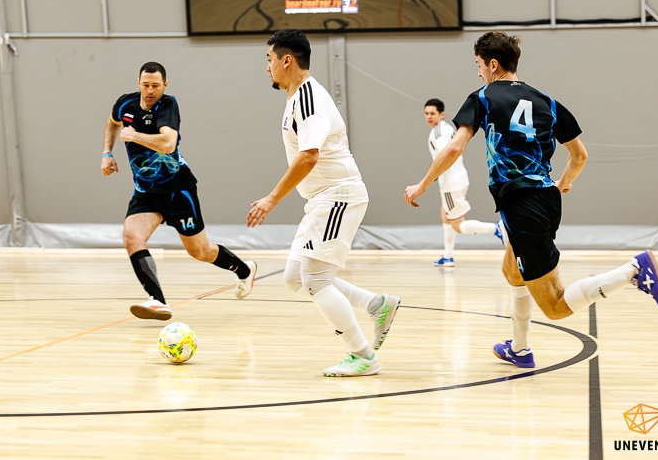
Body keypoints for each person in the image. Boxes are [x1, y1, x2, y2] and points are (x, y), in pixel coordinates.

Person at [404, 31, 658, 368]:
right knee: (512, 272)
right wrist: (562, 184)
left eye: (479, 64)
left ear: (493, 65)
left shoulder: (483, 97)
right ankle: (520, 348)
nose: (478, 72)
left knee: (555, 305)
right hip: (543, 198)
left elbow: (455, 147)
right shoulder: (548, 102)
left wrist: (422, 185)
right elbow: (580, 156)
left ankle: (633, 271)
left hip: (522, 205)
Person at [247, 29, 400, 377]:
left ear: (287, 61)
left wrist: (271, 199)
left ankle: (363, 355)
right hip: (322, 199)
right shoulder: (297, 98)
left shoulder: (308, 98)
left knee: (315, 279)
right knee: (294, 277)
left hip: (338, 196)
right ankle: (376, 305)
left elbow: (309, 156)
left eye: (270, 60)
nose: (267, 67)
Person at [102, 61, 257, 320]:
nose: (150, 91)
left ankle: (244, 271)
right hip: (146, 192)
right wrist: (107, 153)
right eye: (145, 85)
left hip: (177, 190)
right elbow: (112, 122)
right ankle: (157, 300)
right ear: (138, 83)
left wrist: (134, 136)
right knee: (131, 237)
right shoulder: (125, 103)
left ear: (165, 85)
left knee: (200, 251)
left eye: (156, 85)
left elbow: (168, 143)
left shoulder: (168, 105)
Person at [423, 98, 504, 267]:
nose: (429, 117)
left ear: (442, 114)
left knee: (457, 225)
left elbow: (446, 156)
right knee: (445, 216)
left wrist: (426, 182)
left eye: (432, 113)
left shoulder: (438, 134)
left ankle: (497, 228)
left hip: (451, 183)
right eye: (426, 113)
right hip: (457, 178)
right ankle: (448, 256)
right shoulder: (446, 128)